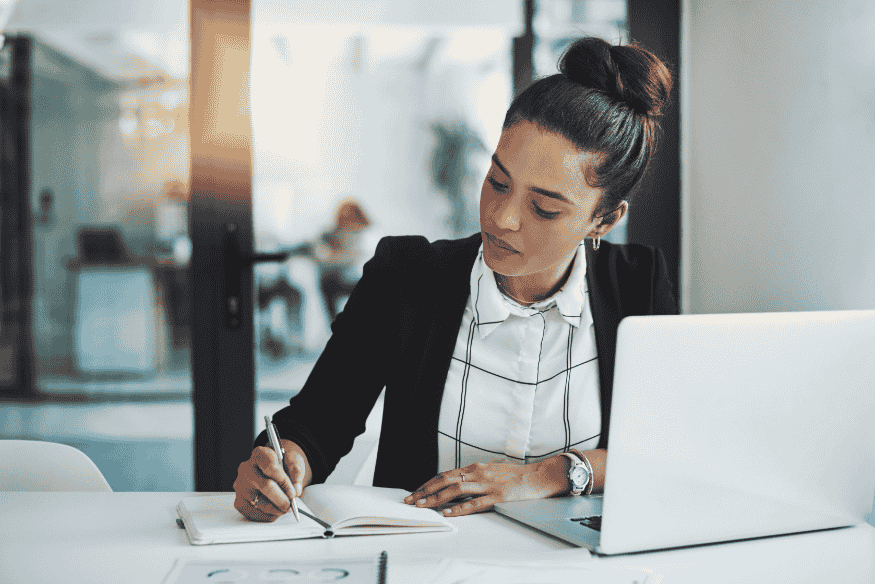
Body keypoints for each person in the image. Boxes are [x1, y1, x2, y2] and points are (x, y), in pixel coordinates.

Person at [233, 37, 676, 522]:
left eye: (544, 208)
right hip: (425, 562)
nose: (502, 218)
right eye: (498, 182)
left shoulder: (638, 287)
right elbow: (317, 422)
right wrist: (282, 463)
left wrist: (544, 475)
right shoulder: (406, 277)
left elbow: (671, 450)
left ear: (603, 221)